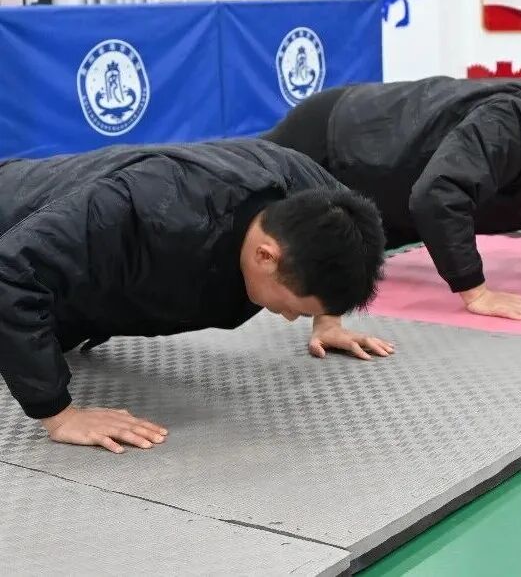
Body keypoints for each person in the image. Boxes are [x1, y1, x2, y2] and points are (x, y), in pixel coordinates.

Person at [0, 139, 387, 453]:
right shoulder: (144, 207)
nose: (287, 317)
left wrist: (328, 319)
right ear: (265, 256)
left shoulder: (312, 195)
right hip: (15, 223)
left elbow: (347, 248)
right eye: (293, 308)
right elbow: (12, 270)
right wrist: (61, 416)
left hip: (76, 282)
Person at [263, 78, 521, 323]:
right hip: (337, 135)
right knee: (242, 194)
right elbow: (439, 194)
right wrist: (476, 291)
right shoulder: (514, 123)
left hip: (385, 172)